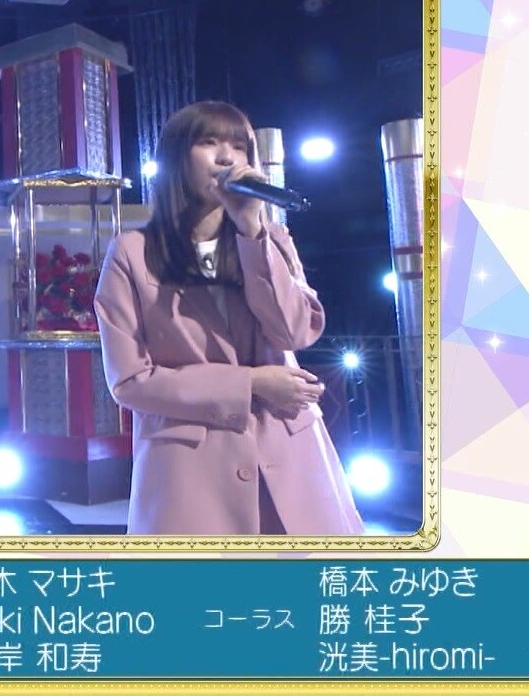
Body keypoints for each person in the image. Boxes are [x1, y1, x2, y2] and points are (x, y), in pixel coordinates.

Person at [94, 100, 365, 535]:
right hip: (192, 471)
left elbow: (295, 331)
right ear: (177, 158)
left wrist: (252, 231)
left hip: (290, 457)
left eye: (239, 147)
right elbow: (129, 381)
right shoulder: (132, 253)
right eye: (209, 142)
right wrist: (251, 383)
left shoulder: (271, 239)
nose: (227, 158)